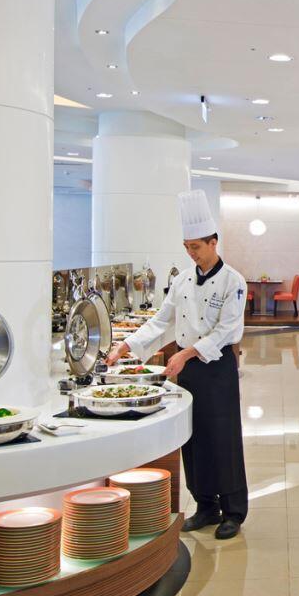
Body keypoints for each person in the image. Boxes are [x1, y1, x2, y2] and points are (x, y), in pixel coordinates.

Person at [106, 189, 248, 539]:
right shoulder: (182, 280)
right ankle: (205, 505)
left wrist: (186, 354)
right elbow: (160, 320)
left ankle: (233, 510)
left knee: (223, 437)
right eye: (186, 247)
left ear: (213, 242)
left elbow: (227, 330)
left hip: (217, 367)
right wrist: (127, 345)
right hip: (189, 370)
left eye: (196, 246)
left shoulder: (233, 281)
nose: (191, 252)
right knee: (193, 437)